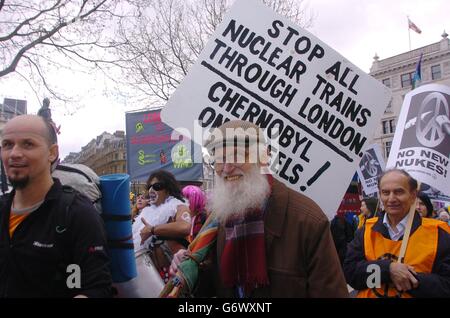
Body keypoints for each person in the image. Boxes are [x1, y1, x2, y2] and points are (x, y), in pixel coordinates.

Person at [164, 119, 348, 298]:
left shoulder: (307, 221)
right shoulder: (218, 219)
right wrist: (190, 266)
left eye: (236, 156)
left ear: (263, 156)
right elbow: (216, 285)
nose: (226, 168)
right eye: (219, 160)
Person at [0, 115, 112, 297]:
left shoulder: (78, 214)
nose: (14, 153)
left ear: (52, 153)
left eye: (28, 144)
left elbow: (96, 287)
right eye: (7, 145)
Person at [344, 168, 450, 298]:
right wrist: (387, 271)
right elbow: (351, 274)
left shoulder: (439, 233)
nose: (391, 198)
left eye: (399, 192)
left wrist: (409, 279)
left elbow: (446, 286)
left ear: (412, 196)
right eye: (385, 192)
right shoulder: (367, 230)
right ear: (380, 195)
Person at [132, 170, 191, 282]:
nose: (152, 190)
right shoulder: (147, 211)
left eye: (157, 186)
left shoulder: (178, 206)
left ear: (168, 190)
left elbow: (185, 227)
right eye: (150, 186)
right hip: (149, 273)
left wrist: (153, 230)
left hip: (172, 273)